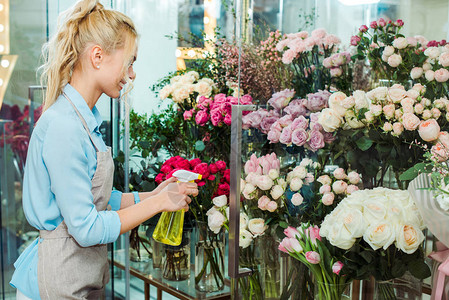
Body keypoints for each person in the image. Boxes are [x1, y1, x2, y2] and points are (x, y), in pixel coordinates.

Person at [10, 1, 198, 299]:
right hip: (56, 282)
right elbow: (85, 228)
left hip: (77, 276)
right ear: (97, 56)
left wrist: (154, 194)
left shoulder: (84, 120)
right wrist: (158, 204)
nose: (132, 74)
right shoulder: (65, 126)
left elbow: (96, 198)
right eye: (130, 61)